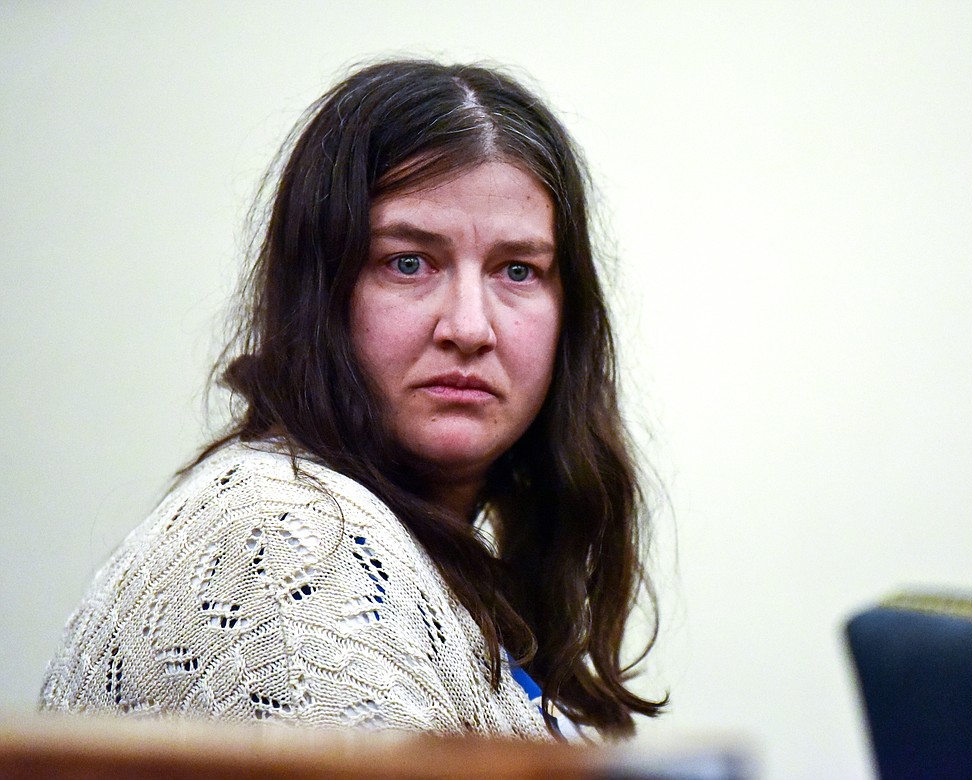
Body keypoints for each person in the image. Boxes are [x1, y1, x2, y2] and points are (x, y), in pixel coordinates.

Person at [40, 60, 665, 739]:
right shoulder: (294, 542)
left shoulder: (422, 556)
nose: (468, 328)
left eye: (518, 270)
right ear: (321, 291)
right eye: (408, 262)